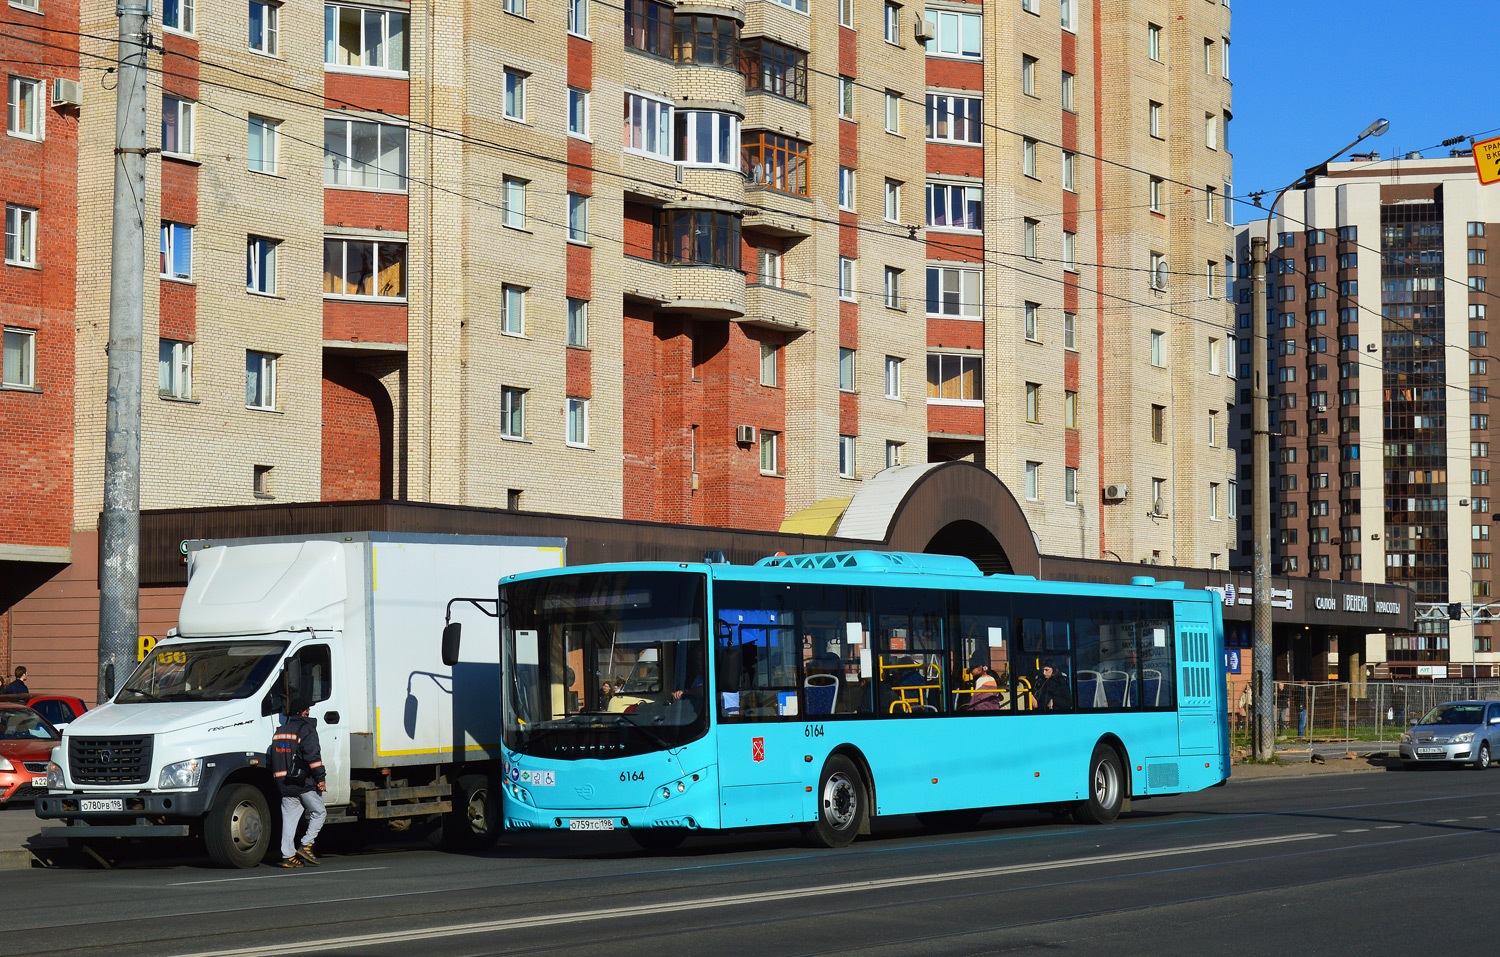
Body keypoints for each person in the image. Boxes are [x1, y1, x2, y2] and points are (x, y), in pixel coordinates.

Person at [271, 696, 327, 868]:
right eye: (308, 709)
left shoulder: (280, 731)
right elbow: (313, 756)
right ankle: (306, 845)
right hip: (302, 782)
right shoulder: (306, 729)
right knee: (319, 812)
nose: (309, 711)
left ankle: (288, 856)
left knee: (289, 819)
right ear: (304, 711)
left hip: (283, 782)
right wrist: (320, 778)